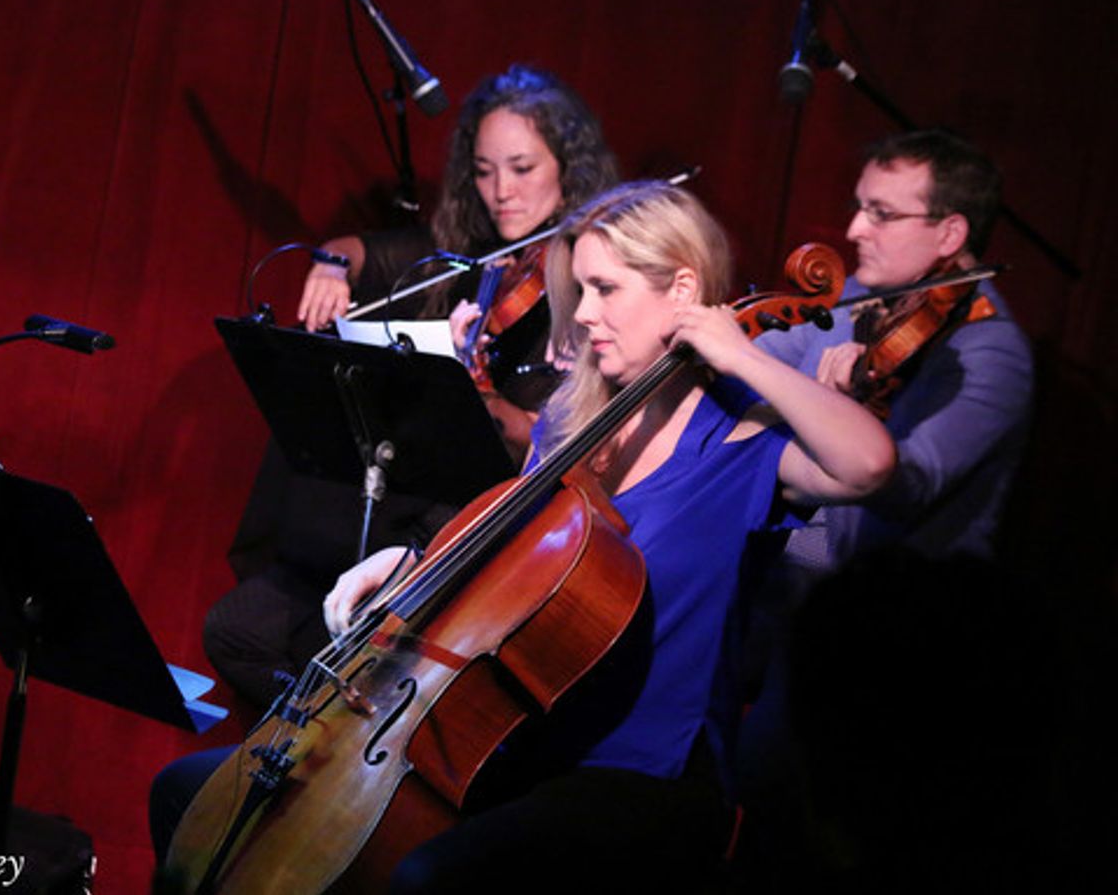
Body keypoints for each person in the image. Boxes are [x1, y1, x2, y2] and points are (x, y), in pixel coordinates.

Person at [152, 180, 895, 890]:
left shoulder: (742, 442)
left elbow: (868, 464)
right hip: (521, 738)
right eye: (584, 289)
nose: (585, 315)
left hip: (641, 769)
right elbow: (523, 570)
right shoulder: (569, 423)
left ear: (681, 291)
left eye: (607, 290)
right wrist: (412, 562)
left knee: (424, 878)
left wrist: (742, 355)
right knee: (189, 794)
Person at [204, 64, 619, 716]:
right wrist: (331, 266)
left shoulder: (588, 276)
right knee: (240, 622)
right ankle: (315, 726)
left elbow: (550, 439)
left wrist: (462, 389)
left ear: (569, 166)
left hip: (476, 522)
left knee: (288, 631)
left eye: (521, 168)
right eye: (483, 171)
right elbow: (358, 248)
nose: (500, 192)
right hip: (403, 499)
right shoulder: (467, 251)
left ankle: (334, 740)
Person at [732, 129, 1035, 888]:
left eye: (880, 213)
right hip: (794, 585)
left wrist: (828, 414)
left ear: (950, 233)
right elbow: (756, 378)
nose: (854, 229)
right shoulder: (865, 303)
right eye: (858, 207)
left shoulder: (989, 352)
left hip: (887, 637)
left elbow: (901, 485)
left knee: (771, 784)